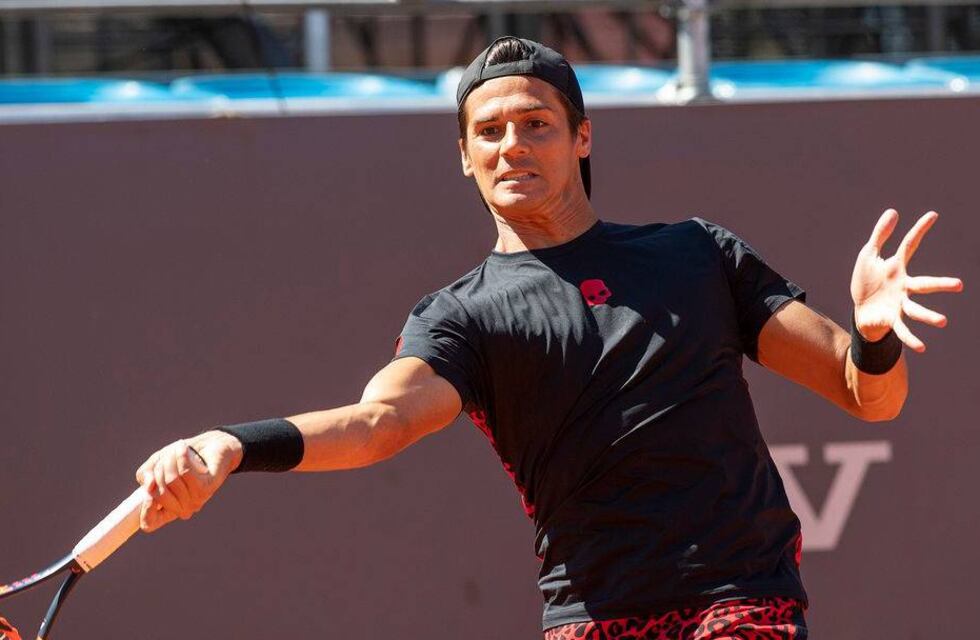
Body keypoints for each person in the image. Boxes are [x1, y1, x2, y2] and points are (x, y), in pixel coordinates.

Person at [134, 37, 964, 639]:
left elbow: (869, 395)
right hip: (589, 619)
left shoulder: (696, 254)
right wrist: (231, 445)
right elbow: (375, 424)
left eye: (535, 123)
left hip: (742, 602)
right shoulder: (460, 315)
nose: (512, 145)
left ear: (582, 137)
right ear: (464, 157)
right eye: (489, 132)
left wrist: (876, 332)